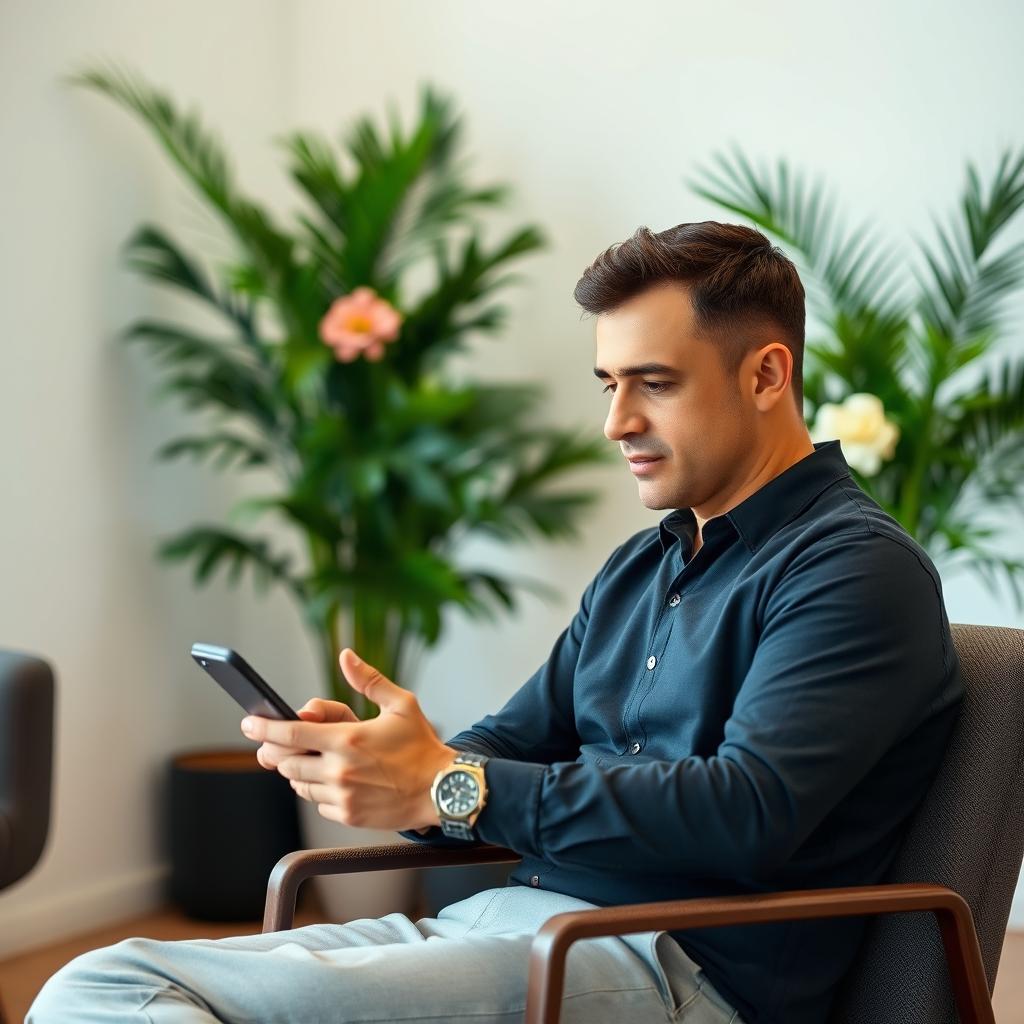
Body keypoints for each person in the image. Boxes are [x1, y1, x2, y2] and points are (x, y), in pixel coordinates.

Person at [27, 221, 965, 1024]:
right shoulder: (645, 565)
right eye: (608, 384)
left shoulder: (853, 569)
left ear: (767, 375)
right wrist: (387, 765)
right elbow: (499, 753)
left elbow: (746, 815)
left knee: (108, 991)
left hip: (663, 969)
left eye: (655, 383)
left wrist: (453, 786)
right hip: (513, 930)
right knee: (114, 982)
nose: (616, 422)